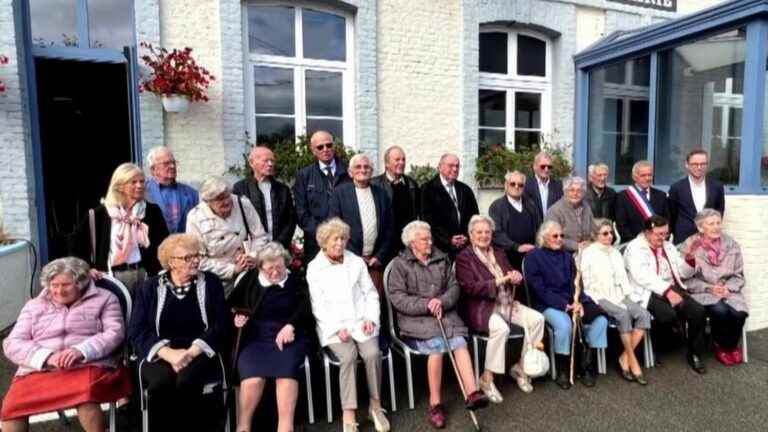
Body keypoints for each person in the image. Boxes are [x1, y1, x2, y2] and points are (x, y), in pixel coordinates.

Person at [1, 257, 131, 432]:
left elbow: (114, 333)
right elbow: (13, 343)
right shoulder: (34, 306)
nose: (59, 291)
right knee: (12, 408)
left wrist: (81, 350)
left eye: (66, 285)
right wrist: (47, 357)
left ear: (81, 283)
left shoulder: (105, 299)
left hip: (87, 364)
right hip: (39, 369)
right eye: (54, 285)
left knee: (86, 398)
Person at [388, 221, 488, 429]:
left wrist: (442, 301)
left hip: (444, 315)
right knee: (438, 346)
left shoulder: (441, 259)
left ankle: (472, 393)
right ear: (412, 243)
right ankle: (435, 404)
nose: (430, 242)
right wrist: (427, 304)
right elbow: (398, 298)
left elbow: (454, 287)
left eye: (430, 237)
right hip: (416, 320)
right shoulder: (400, 265)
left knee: (459, 341)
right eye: (425, 239)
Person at [128, 234, 229, 431]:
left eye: (196, 255)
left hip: (199, 351)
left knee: (187, 380)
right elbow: (137, 329)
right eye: (187, 257)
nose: (195, 261)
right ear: (171, 262)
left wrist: (190, 352)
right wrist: (169, 354)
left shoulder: (211, 282)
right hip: (159, 353)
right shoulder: (149, 288)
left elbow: (222, 323)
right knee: (160, 384)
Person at [306, 218, 390, 432]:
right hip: (334, 327)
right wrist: (336, 328)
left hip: (361, 321)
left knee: (372, 353)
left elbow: (370, 294)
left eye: (343, 238)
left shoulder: (356, 262)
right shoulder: (315, 268)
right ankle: (349, 413)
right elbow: (319, 305)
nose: (340, 243)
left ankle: (375, 406)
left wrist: (371, 318)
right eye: (335, 239)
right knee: (348, 357)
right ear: (324, 242)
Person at [455, 215, 545, 401]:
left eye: (487, 232)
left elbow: (510, 275)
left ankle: (520, 368)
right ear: (471, 235)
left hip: (506, 302)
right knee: (501, 328)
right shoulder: (464, 257)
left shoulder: (500, 252)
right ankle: (487, 378)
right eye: (479, 232)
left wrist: (515, 276)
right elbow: (469, 287)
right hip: (480, 307)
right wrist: (499, 281)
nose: (484, 235)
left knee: (538, 319)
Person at [228, 242, 311, 432]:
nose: (274, 273)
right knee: (253, 379)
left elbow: (305, 308)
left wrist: (291, 325)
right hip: (256, 338)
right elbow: (231, 306)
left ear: (286, 264)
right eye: (269, 269)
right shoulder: (249, 279)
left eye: (279, 268)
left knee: (286, 376)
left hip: (288, 337)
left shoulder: (296, 279)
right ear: (260, 267)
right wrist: (237, 317)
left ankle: (285, 427)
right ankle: (243, 426)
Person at [524, 221, 608, 389]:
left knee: (600, 319)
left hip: (572, 300)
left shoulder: (566, 256)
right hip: (547, 303)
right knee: (564, 324)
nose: (559, 239)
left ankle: (585, 363)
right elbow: (539, 289)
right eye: (555, 236)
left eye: (562, 236)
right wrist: (564, 305)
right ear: (544, 237)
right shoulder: (533, 257)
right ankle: (563, 369)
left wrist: (579, 302)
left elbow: (575, 284)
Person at [623, 216, 707, 374]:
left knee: (698, 311)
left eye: (666, 234)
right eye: (659, 234)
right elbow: (642, 276)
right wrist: (667, 291)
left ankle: (694, 353)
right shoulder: (635, 248)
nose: (663, 238)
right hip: (646, 291)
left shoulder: (668, 246)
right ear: (647, 232)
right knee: (667, 315)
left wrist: (690, 260)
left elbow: (682, 272)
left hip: (671, 288)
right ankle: (654, 347)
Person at [72, 162, 169, 294]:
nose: (139, 186)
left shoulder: (152, 211)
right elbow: (77, 247)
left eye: (142, 181)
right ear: (120, 186)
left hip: (146, 274)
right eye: (133, 182)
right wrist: (87, 268)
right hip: (110, 277)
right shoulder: (98, 214)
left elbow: (165, 244)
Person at [581, 219, 651, 384]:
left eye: (611, 232)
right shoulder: (588, 253)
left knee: (644, 315)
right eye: (605, 233)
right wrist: (599, 298)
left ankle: (625, 357)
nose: (609, 236)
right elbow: (587, 283)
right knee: (623, 315)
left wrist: (630, 297)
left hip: (621, 294)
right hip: (600, 296)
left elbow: (623, 280)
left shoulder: (616, 252)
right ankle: (633, 362)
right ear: (595, 235)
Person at [679, 209, 747, 366]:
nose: (716, 227)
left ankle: (728, 345)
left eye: (718, 223)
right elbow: (685, 279)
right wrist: (709, 288)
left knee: (740, 314)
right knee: (720, 310)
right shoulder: (690, 245)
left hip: (729, 290)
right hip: (704, 291)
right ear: (701, 228)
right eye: (711, 224)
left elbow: (739, 275)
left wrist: (727, 288)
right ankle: (720, 345)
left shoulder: (731, 244)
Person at [186, 176, 268, 294]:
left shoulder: (242, 204)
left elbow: (260, 236)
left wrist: (252, 256)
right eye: (219, 199)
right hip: (216, 281)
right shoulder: (195, 217)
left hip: (248, 274)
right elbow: (198, 260)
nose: (226, 201)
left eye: (227, 195)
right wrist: (232, 269)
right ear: (208, 201)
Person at [329, 153, 394, 293]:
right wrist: (355, 257)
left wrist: (379, 256)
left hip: (374, 263)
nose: (363, 170)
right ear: (350, 172)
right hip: (348, 260)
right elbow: (335, 228)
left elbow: (389, 229)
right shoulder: (339, 194)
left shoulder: (382, 194)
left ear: (372, 171)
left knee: (374, 304)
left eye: (367, 167)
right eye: (358, 167)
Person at [293, 131, 351, 261]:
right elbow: (301, 212)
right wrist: (323, 235)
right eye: (320, 147)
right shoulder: (304, 176)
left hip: (345, 242)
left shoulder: (349, 173)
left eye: (329, 145)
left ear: (334, 147)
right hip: (316, 243)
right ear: (313, 150)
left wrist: (342, 235)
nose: (325, 149)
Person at [233, 146, 297, 250]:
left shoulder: (283, 189)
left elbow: (290, 220)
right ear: (252, 163)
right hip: (253, 249)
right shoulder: (240, 188)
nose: (270, 164)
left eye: (272, 160)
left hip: (279, 249)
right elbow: (236, 219)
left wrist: (279, 244)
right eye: (266, 161)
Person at [421, 153, 479, 260]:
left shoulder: (465, 190)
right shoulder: (428, 190)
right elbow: (428, 221)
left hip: (464, 248)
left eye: (457, 166)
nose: (455, 169)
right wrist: (448, 239)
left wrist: (467, 236)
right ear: (440, 167)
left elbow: (474, 217)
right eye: (451, 165)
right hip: (439, 249)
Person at [668, 149, 726, 244]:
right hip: (684, 240)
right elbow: (672, 215)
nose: (699, 167)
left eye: (703, 164)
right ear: (687, 165)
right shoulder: (676, 188)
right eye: (695, 164)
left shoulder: (717, 187)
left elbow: (719, 212)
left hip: (709, 240)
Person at [489, 170, 541, 270]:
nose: (516, 187)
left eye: (520, 185)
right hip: (507, 258)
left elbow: (539, 228)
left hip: (531, 256)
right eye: (512, 184)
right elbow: (496, 234)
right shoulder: (497, 206)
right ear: (506, 185)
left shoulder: (531, 205)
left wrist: (536, 246)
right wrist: (517, 247)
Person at [371, 145, 421, 249]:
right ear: (387, 164)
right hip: (383, 245)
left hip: (407, 245)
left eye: (403, 159)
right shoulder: (374, 184)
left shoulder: (412, 184)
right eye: (397, 160)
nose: (401, 163)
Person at [145, 146, 199, 234]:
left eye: (173, 162)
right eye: (166, 163)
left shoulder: (192, 193)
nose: (172, 166)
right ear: (153, 169)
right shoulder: (143, 193)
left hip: (184, 245)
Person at [615, 160, 669, 243]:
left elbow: (667, 221)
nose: (647, 178)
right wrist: (637, 243)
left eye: (649, 175)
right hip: (633, 244)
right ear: (634, 177)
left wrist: (661, 239)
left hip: (658, 243)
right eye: (643, 175)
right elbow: (621, 225)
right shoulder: (622, 197)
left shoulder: (661, 195)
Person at [545, 176, 594, 252]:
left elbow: (592, 230)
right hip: (562, 254)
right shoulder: (555, 210)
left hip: (586, 252)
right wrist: (576, 246)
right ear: (565, 192)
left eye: (579, 191)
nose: (575, 193)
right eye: (571, 190)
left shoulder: (587, 207)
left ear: (583, 193)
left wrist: (590, 242)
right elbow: (551, 237)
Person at [523, 151, 563, 217]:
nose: (546, 169)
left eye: (549, 167)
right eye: (543, 166)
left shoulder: (559, 186)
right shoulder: (526, 185)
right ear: (534, 167)